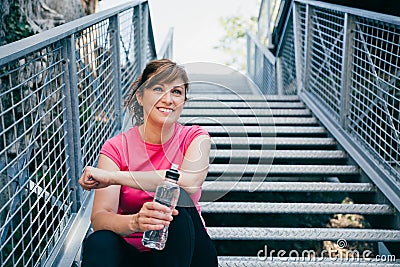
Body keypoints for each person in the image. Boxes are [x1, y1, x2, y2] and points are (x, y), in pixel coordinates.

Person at [78, 59, 218, 267]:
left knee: (178, 201)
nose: (168, 99)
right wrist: (135, 222)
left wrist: (113, 177)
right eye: (158, 88)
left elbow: (189, 182)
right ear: (140, 96)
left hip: (188, 253)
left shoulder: (195, 137)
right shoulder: (117, 147)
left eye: (177, 92)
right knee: (99, 241)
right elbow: (100, 219)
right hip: (134, 252)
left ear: (184, 102)